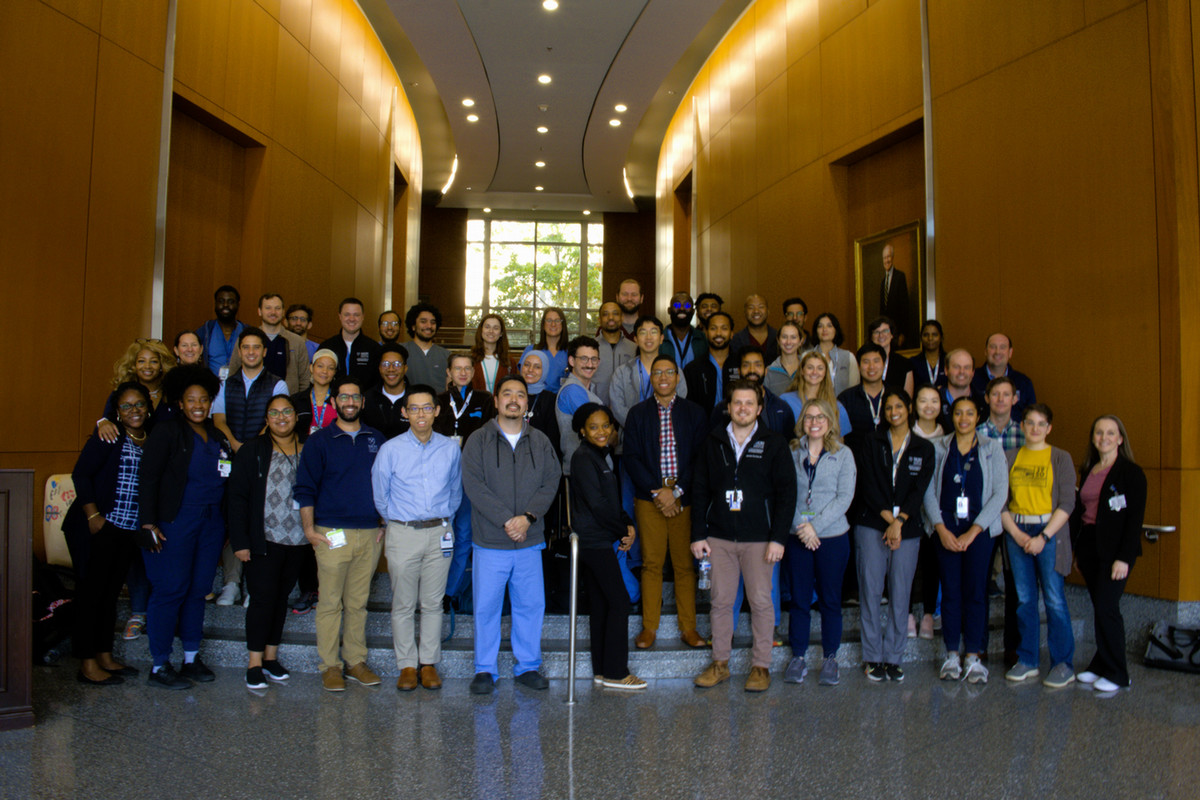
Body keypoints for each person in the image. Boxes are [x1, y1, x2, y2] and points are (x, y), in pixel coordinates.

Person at [691, 380, 796, 692]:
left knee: (762, 602)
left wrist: (778, 538)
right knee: (721, 602)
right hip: (719, 538)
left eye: (749, 403)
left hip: (760, 539)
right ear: (728, 407)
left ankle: (761, 667)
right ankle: (720, 663)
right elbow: (698, 490)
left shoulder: (774, 443)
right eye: (737, 403)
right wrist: (698, 534)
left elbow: (787, 494)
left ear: (759, 408)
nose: (743, 408)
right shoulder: (712, 442)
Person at [462, 375, 562, 695]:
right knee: (487, 607)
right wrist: (508, 520)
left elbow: (551, 481)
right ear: (496, 400)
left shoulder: (541, 441)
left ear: (527, 403)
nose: (514, 400)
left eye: (521, 395)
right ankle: (485, 669)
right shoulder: (478, 439)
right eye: (508, 394)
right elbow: (473, 485)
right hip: (491, 541)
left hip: (529, 541)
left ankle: (528, 665)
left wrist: (528, 518)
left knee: (530, 606)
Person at [138, 365, 232, 689]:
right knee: (170, 590)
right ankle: (159, 664)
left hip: (211, 523)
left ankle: (191, 658)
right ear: (180, 403)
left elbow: (228, 480)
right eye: (191, 400)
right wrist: (147, 522)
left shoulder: (219, 438)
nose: (197, 406)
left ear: (210, 403)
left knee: (197, 591)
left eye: (204, 400)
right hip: (174, 522)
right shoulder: (166, 432)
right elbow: (147, 477)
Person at [294, 377, 386, 693]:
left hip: (370, 532)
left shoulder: (377, 439)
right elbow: (304, 487)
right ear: (334, 403)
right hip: (331, 531)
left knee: (358, 603)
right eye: (343, 397)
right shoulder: (320, 441)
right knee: (330, 602)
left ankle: (355, 661)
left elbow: (388, 485)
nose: (349, 402)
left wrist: (385, 522)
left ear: (362, 402)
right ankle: (330, 665)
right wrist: (309, 529)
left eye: (355, 397)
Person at [372, 384, 463, 692]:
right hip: (403, 532)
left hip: (440, 531)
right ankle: (407, 665)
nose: (421, 414)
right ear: (404, 412)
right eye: (414, 408)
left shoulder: (450, 448)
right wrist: (398, 520)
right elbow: (380, 496)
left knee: (433, 602)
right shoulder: (391, 450)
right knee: (403, 603)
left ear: (437, 411)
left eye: (427, 407)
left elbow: (455, 492)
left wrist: (442, 520)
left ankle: (428, 663)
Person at [65, 381, 152, 685]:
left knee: (110, 595)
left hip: (126, 531)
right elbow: (81, 473)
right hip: (96, 526)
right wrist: (93, 516)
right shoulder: (109, 436)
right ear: (117, 411)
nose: (134, 411)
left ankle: (104, 656)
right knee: (91, 595)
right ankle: (87, 664)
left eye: (139, 404)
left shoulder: (149, 439)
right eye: (126, 406)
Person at [623, 355, 708, 651]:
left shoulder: (695, 413)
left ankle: (689, 628)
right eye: (656, 372)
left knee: (685, 565)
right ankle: (649, 627)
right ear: (651, 378)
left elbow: (700, 458)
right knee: (651, 564)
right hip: (651, 497)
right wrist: (659, 493)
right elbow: (631, 457)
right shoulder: (637, 413)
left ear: (677, 377)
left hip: (684, 497)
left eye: (668, 372)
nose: (662, 377)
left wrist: (678, 491)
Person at [923, 396, 1009, 684]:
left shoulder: (991, 448)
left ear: (977, 417)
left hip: (979, 533)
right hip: (945, 531)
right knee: (950, 592)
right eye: (958, 413)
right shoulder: (939, 448)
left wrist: (974, 531)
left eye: (969, 413)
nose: (963, 418)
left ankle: (973, 656)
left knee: (975, 593)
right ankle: (951, 655)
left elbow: (1000, 493)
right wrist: (941, 529)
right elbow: (928, 492)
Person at [852, 389, 934, 682]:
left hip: (907, 529)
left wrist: (899, 522)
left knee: (901, 595)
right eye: (888, 407)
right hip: (872, 524)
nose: (893, 411)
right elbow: (868, 484)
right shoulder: (871, 442)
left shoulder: (924, 448)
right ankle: (873, 656)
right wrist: (890, 519)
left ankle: (894, 657)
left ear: (909, 408)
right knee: (871, 593)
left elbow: (918, 490)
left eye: (899, 406)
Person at [227, 394, 307, 690]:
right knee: (261, 600)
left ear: (296, 417)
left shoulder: (308, 448)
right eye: (274, 413)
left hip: (298, 539)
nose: (281, 417)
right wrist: (240, 541)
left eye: (287, 412)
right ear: (266, 419)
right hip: (264, 539)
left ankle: (271, 658)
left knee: (281, 599)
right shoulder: (253, 450)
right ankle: (255, 663)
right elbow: (236, 498)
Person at [568, 403, 645, 690]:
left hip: (602, 537)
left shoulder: (603, 455)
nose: (602, 432)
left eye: (606, 426)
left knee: (601, 603)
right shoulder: (583, 458)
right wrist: (622, 529)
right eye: (594, 427)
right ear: (582, 431)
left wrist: (626, 523)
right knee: (619, 602)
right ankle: (616, 671)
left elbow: (611, 501)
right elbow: (598, 505)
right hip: (594, 542)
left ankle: (602, 670)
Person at [1000, 403, 1077, 688]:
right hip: (1016, 530)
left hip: (1050, 533)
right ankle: (1028, 659)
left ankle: (1062, 664)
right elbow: (1001, 502)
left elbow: (1067, 503)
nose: (1034, 428)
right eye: (1029, 422)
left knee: (1055, 599)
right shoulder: (1010, 457)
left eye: (1040, 423)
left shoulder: (1060, 457)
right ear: (1022, 426)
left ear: (1049, 428)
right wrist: (1019, 536)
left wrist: (1042, 537)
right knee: (1024, 600)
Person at [784, 398, 856, 687]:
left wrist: (815, 526)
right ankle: (798, 656)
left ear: (830, 422)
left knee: (830, 600)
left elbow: (845, 497)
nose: (814, 422)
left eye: (820, 417)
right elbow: (785, 493)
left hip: (832, 538)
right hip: (798, 535)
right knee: (799, 600)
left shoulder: (844, 454)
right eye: (809, 417)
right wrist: (803, 526)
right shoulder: (791, 452)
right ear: (802, 421)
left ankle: (830, 658)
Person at [1070, 415, 1145, 692]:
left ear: (1120, 439)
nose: (1104, 437)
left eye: (1110, 433)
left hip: (1115, 552)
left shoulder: (1131, 473)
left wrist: (1123, 558)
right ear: (1093, 438)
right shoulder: (1089, 468)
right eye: (1099, 433)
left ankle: (1117, 673)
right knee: (1099, 608)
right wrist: (1077, 551)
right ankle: (1101, 664)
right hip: (1090, 547)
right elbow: (1082, 512)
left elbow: (1134, 519)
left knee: (1107, 608)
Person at [435, 353, 496, 602]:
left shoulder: (484, 399)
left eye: (467, 368)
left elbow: (492, 437)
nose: (462, 373)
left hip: (471, 476)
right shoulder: (437, 401)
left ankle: (451, 591)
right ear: (448, 372)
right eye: (457, 368)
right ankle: (433, 589)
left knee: (463, 534)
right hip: (441, 477)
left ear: (473, 372)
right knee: (439, 535)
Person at [212, 327, 289, 453]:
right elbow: (219, 421)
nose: (251, 352)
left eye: (256, 347)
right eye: (246, 347)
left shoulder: (278, 385)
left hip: (263, 453)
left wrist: (251, 448)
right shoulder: (225, 385)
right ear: (239, 351)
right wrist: (234, 445)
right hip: (230, 453)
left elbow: (276, 421)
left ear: (264, 351)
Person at [909, 385, 945, 640]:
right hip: (910, 510)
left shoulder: (949, 437)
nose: (929, 406)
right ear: (915, 405)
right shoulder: (906, 434)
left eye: (934, 401)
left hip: (937, 512)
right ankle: (908, 614)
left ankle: (930, 615)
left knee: (932, 564)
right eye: (923, 400)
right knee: (909, 564)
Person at [610, 315, 689, 427]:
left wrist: (660, 425)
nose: (648, 337)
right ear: (636, 339)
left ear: (661, 338)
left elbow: (680, 402)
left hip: (666, 432)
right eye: (643, 332)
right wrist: (637, 426)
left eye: (653, 332)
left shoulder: (675, 371)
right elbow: (617, 408)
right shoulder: (622, 372)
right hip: (632, 433)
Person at [227, 294, 311, 394]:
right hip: (253, 402)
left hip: (287, 404)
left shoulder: (297, 342)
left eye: (277, 308)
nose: (273, 312)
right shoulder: (246, 338)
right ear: (259, 311)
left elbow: (305, 380)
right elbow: (233, 372)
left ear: (283, 312)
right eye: (268, 308)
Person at [96, 339, 177, 443]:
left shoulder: (172, 394)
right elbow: (106, 420)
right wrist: (103, 423)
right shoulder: (122, 393)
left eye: (154, 361)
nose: (147, 366)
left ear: (161, 366)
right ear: (133, 365)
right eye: (141, 361)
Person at [710, 345, 795, 438]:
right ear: (738, 371)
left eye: (758, 365)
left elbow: (788, 447)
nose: (752, 370)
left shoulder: (782, 408)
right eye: (746, 365)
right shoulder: (722, 409)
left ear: (766, 371)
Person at [554, 336, 602, 473]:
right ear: (572, 361)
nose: (589, 364)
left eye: (594, 359)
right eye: (584, 359)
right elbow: (595, 427)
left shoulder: (588, 389)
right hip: (582, 471)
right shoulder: (572, 390)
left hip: (593, 468)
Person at [779, 349, 852, 437]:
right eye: (810, 367)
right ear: (802, 371)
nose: (814, 372)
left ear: (825, 373)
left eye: (820, 368)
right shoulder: (786, 400)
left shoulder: (836, 405)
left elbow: (840, 442)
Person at [319, 297, 381, 391]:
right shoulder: (327, 346)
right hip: (332, 403)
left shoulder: (374, 348)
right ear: (340, 316)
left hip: (365, 403)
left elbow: (379, 382)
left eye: (356, 315)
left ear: (363, 317)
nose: (352, 319)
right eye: (347, 314)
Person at [970, 333, 1037, 419]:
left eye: (1002, 347)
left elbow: (1032, 418)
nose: (997, 352)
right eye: (993, 347)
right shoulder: (972, 379)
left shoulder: (1023, 382)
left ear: (1010, 352)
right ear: (985, 351)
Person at [838, 344, 888, 453]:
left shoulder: (894, 395)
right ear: (859, 366)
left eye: (876, 361)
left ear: (884, 364)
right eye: (866, 362)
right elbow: (839, 437)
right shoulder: (845, 399)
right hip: (857, 462)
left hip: (890, 462)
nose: (871, 367)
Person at [683, 311, 736, 415]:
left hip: (738, 426)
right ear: (706, 333)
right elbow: (689, 408)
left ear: (731, 334)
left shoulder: (741, 364)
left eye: (724, 328)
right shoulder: (692, 369)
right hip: (704, 428)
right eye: (713, 328)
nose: (719, 333)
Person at [361, 344, 411, 439]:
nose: (391, 369)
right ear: (379, 368)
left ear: (405, 368)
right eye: (385, 364)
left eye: (397, 364)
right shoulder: (367, 399)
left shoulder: (415, 398)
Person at [195, 285, 244, 380]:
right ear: (215, 304)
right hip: (211, 388)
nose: (225, 305)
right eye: (221, 301)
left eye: (230, 302)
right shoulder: (204, 331)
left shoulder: (246, 332)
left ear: (238, 304)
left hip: (240, 389)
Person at [593, 301, 637, 405]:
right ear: (599, 320)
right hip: (597, 409)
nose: (611, 318)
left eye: (615, 313)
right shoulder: (590, 347)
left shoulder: (634, 348)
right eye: (605, 314)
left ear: (622, 318)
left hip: (627, 410)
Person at [292, 349, 338, 443]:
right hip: (304, 450)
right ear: (311, 368)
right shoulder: (296, 400)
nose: (325, 371)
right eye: (320, 366)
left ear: (334, 372)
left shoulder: (340, 400)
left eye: (330, 368)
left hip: (333, 451)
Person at [401, 302, 451, 389]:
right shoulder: (401, 351)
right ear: (413, 326)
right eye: (423, 321)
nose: (429, 326)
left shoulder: (446, 355)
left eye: (433, 322)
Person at [520, 307, 570, 392]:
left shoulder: (571, 352)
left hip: (562, 401)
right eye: (549, 320)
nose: (553, 324)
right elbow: (522, 380)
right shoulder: (531, 350)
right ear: (543, 325)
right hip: (537, 400)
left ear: (563, 325)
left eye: (557, 321)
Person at [519, 350, 560, 453]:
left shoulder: (551, 400)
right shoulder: (512, 395)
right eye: (527, 365)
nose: (530, 370)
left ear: (545, 370)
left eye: (537, 367)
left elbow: (553, 440)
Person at [811, 312, 859, 396]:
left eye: (829, 326)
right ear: (816, 331)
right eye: (820, 326)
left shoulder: (848, 357)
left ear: (836, 330)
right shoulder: (807, 356)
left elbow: (854, 389)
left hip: (841, 406)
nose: (824, 329)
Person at [867, 316, 914, 397]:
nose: (881, 335)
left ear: (892, 335)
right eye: (876, 332)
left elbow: (908, 399)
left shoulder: (904, 364)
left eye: (885, 331)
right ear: (871, 337)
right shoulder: (865, 362)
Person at [660, 291, 707, 370]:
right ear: (669, 310)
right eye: (676, 305)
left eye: (687, 305)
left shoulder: (702, 338)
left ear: (693, 311)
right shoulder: (660, 338)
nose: (682, 308)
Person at [471, 313, 517, 393]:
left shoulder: (509, 362)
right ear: (481, 330)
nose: (491, 331)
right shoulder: (470, 360)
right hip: (477, 405)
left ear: (501, 333)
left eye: (496, 328)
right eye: (487, 327)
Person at [730, 294, 779, 365]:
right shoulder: (736, 340)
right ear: (745, 312)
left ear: (768, 311)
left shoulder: (779, 337)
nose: (756, 311)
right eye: (751, 307)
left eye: (761, 307)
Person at [977, 376, 1024, 450]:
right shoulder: (976, 435)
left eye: (1006, 394)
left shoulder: (1023, 435)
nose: (1000, 399)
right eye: (995, 394)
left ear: (1014, 399)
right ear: (987, 398)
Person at [878, 244, 909, 345]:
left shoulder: (900, 277)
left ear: (893, 257)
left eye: (888, 257)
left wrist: (902, 333)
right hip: (885, 334)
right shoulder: (883, 282)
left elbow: (905, 307)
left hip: (897, 332)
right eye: (884, 258)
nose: (886, 260)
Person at [764, 321, 805, 397]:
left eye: (793, 337)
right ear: (778, 340)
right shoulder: (769, 372)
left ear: (801, 341)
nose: (788, 342)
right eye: (784, 337)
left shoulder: (808, 368)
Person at [910, 320, 947, 390]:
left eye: (935, 335)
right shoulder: (913, 362)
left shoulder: (949, 361)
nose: (930, 338)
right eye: (926, 335)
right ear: (921, 338)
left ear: (941, 337)